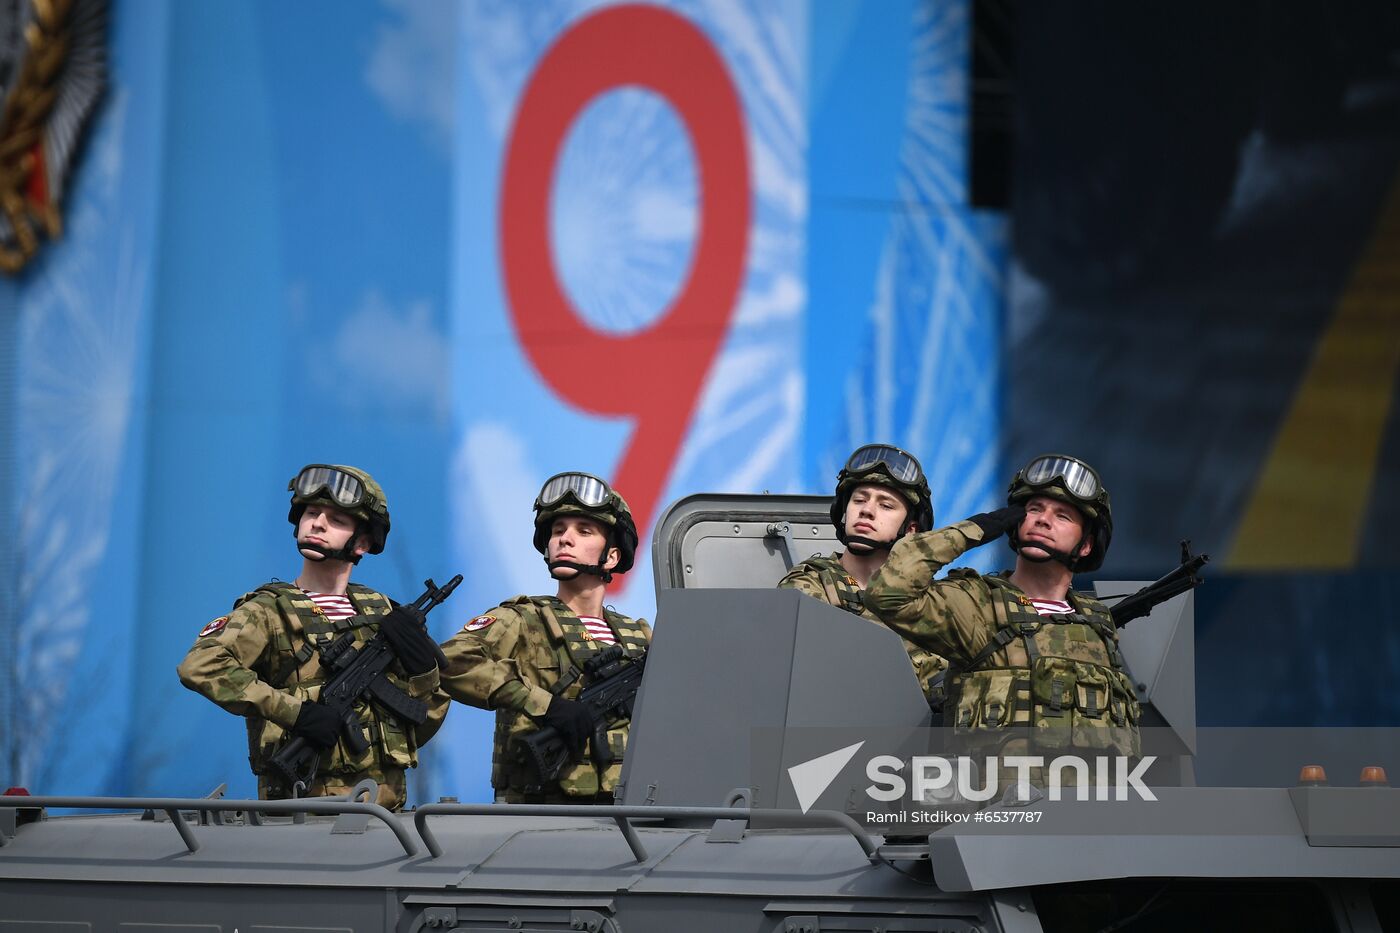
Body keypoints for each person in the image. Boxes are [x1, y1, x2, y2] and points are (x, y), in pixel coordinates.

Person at [177, 464, 447, 810]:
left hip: (387, 816)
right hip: (299, 817)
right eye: (311, 512)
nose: (317, 522)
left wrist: (425, 673)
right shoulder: (268, 612)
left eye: (336, 519)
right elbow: (200, 665)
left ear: (362, 542)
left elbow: (420, 728)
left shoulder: (381, 612)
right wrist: (295, 712)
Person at [864, 454, 1139, 769]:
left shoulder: (1098, 623)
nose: (1043, 519)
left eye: (1062, 516)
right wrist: (975, 529)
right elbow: (888, 594)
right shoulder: (977, 604)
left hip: (1091, 811)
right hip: (998, 810)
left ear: (1087, 544)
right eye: (1033, 509)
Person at [439, 472, 651, 803]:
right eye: (557, 530)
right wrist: (544, 706)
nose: (564, 539)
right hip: (539, 810)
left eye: (584, 531)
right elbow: (451, 660)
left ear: (611, 556)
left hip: (627, 811)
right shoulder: (522, 619)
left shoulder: (638, 636)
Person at [777, 444, 949, 704]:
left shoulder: (936, 604)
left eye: (886, 505)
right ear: (845, 513)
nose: (867, 510)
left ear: (911, 529)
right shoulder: (809, 586)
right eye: (859, 500)